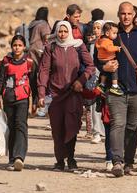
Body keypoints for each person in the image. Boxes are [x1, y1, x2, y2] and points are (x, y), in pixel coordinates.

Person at [97, 2, 137, 177]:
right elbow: (99, 56)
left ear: (134, 14)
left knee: (133, 126)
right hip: (116, 90)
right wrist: (104, 67)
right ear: (118, 15)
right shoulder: (112, 35)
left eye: (129, 13)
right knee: (118, 124)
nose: (126, 17)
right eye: (122, 13)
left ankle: (129, 163)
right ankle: (117, 161)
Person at [37, 21, 95, 171]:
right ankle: (60, 160)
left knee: (72, 126)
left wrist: (81, 81)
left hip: (73, 93)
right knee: (57, 129)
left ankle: (71, 158)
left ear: (69, 32)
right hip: (56, 95)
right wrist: (41, 93)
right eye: (60, 31)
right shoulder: (51, 47)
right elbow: (44, 70)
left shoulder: (78, 46)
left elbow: (90, 66)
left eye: (65, 31)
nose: (62, 34)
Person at [0, 35, 33, 171]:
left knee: (21, 125)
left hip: (22, 98)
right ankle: (11, 159)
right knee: (10, 127)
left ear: (24, 47)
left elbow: (33, 81)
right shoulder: (5, 62)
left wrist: (35, 101)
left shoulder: (29, 62)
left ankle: (19, 157)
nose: (17, 48)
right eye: (15, 45)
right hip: (8, 99)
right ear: (12, 47)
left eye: (20, 45)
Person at [27, 7, 51, 109]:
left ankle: (33, 103)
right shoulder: (43, 24)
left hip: (30, 52)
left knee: (32, 78)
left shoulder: (32, 24)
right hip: (39, 53)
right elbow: (47, 38)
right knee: (42, 77)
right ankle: (41, 102)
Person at [95, 22, 123, 96]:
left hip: (101, 59)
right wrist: (117, 48)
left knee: (105, 72)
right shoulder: (106, 41)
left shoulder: (100, 39)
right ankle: (115, 86)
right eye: (114, 33)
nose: (116, 35)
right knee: (114, 69)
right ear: (107, 33)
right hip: (107, 58)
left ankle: (102, 84)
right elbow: (109, 48)